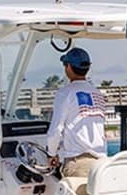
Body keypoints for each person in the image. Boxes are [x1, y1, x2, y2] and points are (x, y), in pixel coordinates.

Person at [46, 46, 108, 179]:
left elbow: (56, 130)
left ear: (68, 67)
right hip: (102, 165)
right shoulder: (98, 94)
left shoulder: (65, 93)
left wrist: (51, 154)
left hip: (78, 163)